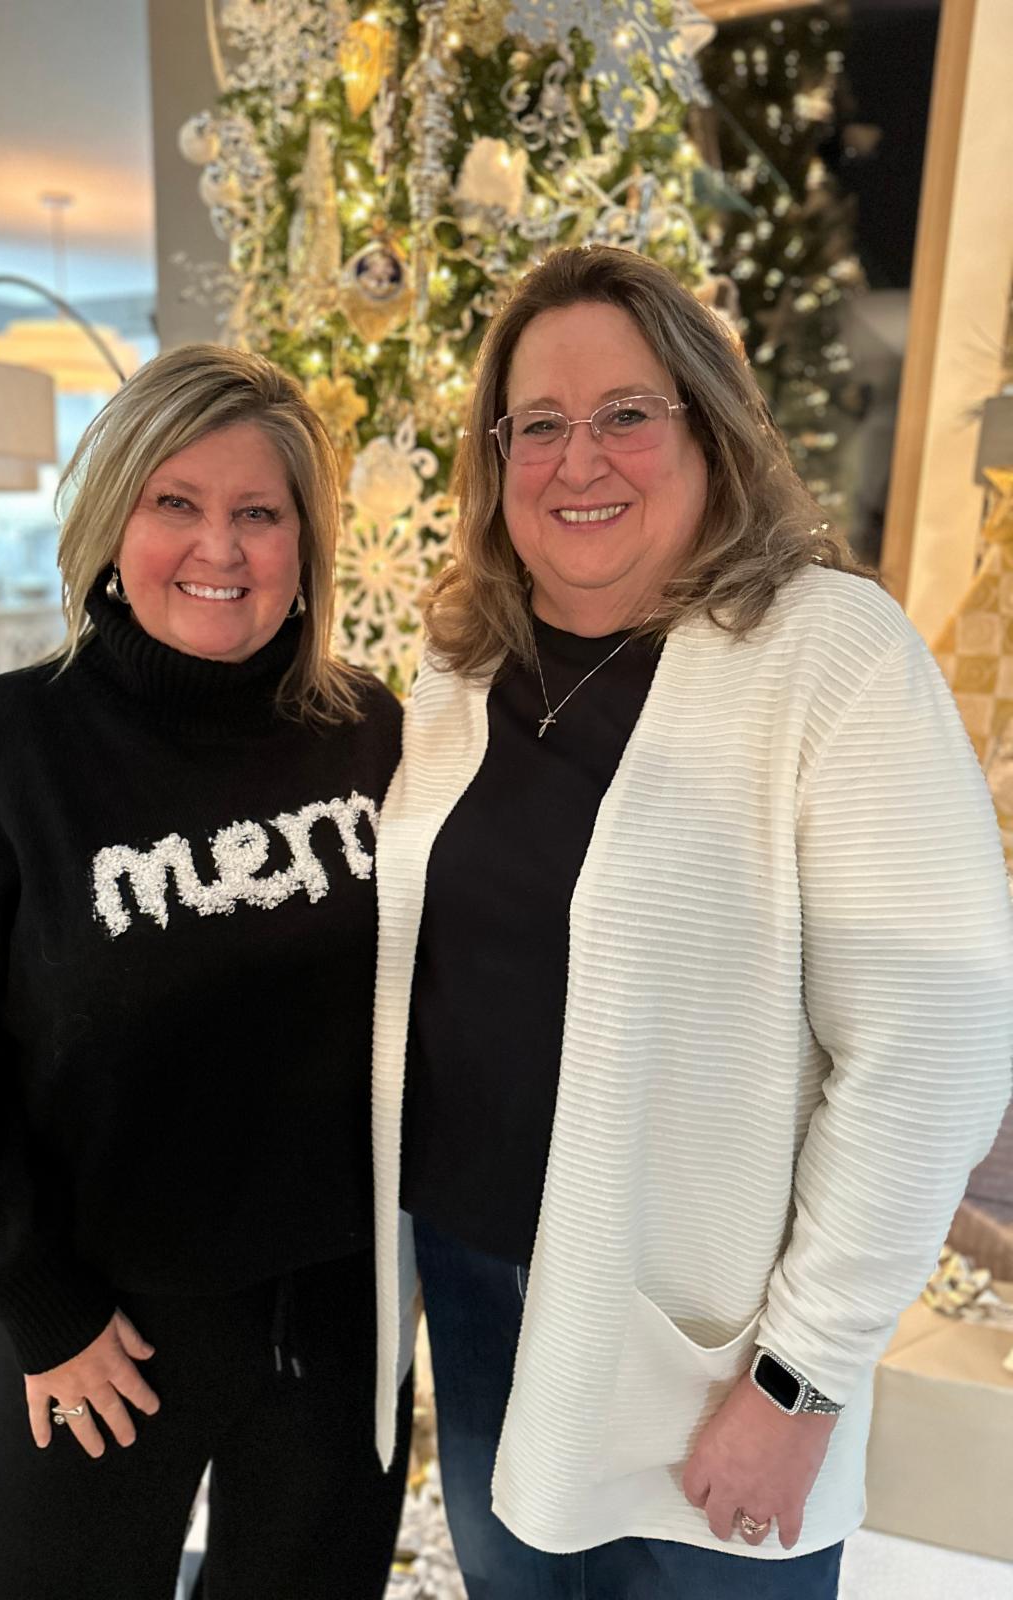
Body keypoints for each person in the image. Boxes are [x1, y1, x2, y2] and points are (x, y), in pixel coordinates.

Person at [371, 246, 1013, 1598]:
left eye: (626, 414)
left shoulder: (828, 654)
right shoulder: (460, 661)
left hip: (704, 1354)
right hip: (480, 1285)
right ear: (497, 457)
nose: (579, 458)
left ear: (708, 430)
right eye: (539, 423)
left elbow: (936, 1049)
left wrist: (801, 1376)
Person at [0, 344, 411, 1599]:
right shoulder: (1, 752)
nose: (220, 547)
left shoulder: (369, 731)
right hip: (99, 1321)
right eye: (177, 503)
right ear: (115, 522)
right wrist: (42, 1305)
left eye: (259, 512)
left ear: (306, 545)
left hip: (333, 1321)